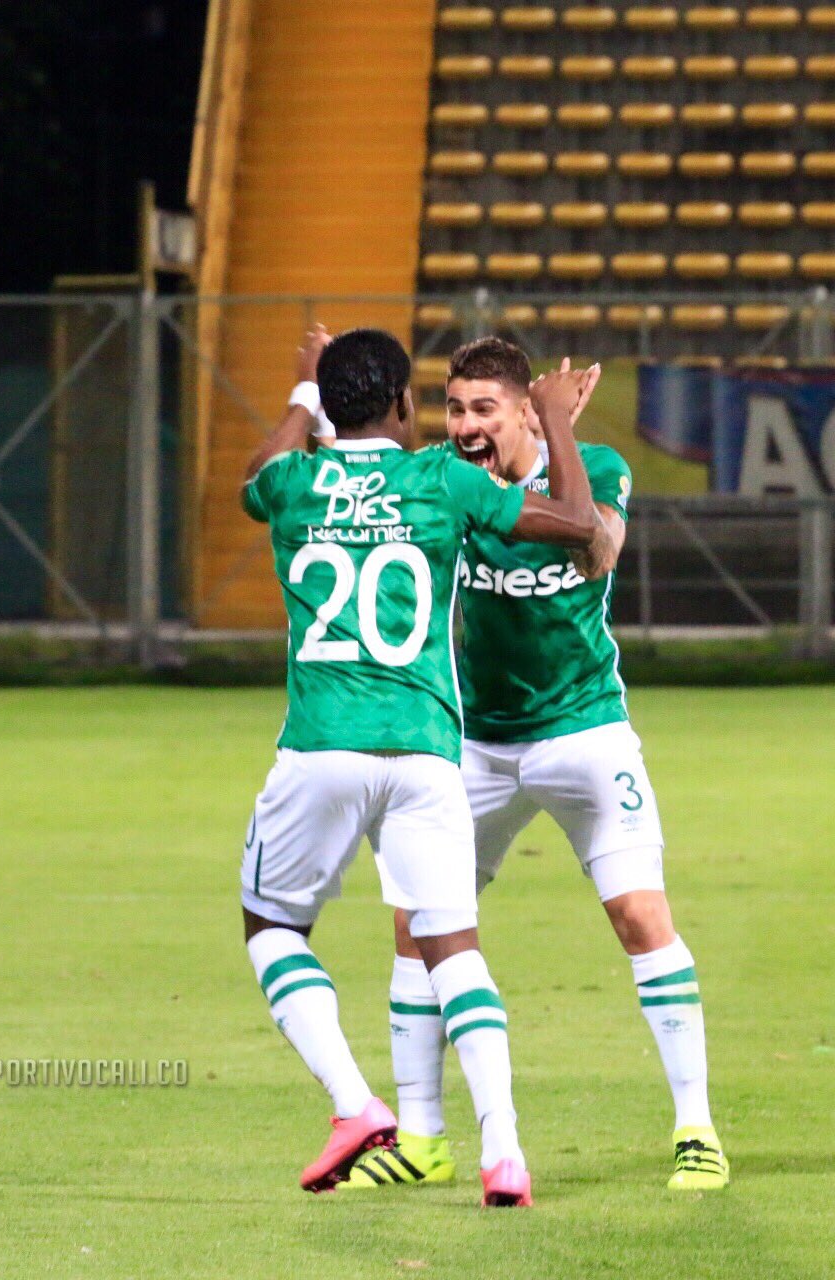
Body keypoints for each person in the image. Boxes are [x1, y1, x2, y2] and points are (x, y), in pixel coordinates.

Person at [342, 337, 727, 1196]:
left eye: (485, 408)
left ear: (524, 411)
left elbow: (597, 547)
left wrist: (560, 431)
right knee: (416, 924)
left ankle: (696, 1129)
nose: (465, 424)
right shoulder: (444, 480)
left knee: (639, 916)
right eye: (454, 408)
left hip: (583, 731)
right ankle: (423, 1138)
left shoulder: (598, 466)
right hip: (476, 744)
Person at [237, 324, 600, 1206]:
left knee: (272, 926)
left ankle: (356, 1105)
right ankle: (504, 1152)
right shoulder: (442, 478)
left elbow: (255, 475)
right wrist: (554, 419)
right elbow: (576, 525)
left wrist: (303, 393)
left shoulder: (293, 483)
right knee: (453, 949)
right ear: (405, 403)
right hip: (428, 752)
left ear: (332, 409)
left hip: (321, 746)